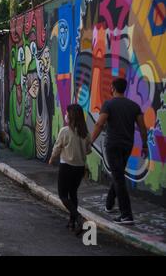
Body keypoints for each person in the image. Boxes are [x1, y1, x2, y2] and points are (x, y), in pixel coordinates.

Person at [91, 78, 148, 225]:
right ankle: (109, 205)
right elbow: (142, 128)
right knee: (118, 174)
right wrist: (145, 146)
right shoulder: (134, 106)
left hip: (113, 146)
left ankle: (126, 215)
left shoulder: (109, 104)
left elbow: (99, 123)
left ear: (113, 88)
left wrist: (90, 141)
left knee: (118, 178)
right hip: (127, 146)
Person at [49, 104, 91, 235]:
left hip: (66, 166)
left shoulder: (65, 131)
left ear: (71, 116)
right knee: (73, 194)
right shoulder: (85, 132)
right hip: (79, 168)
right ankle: (72, 222)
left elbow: (57, 147)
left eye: (67, 113)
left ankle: (79, 219)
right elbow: (88, 151)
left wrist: (51, 159)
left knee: (63, 195)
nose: (65, 115)